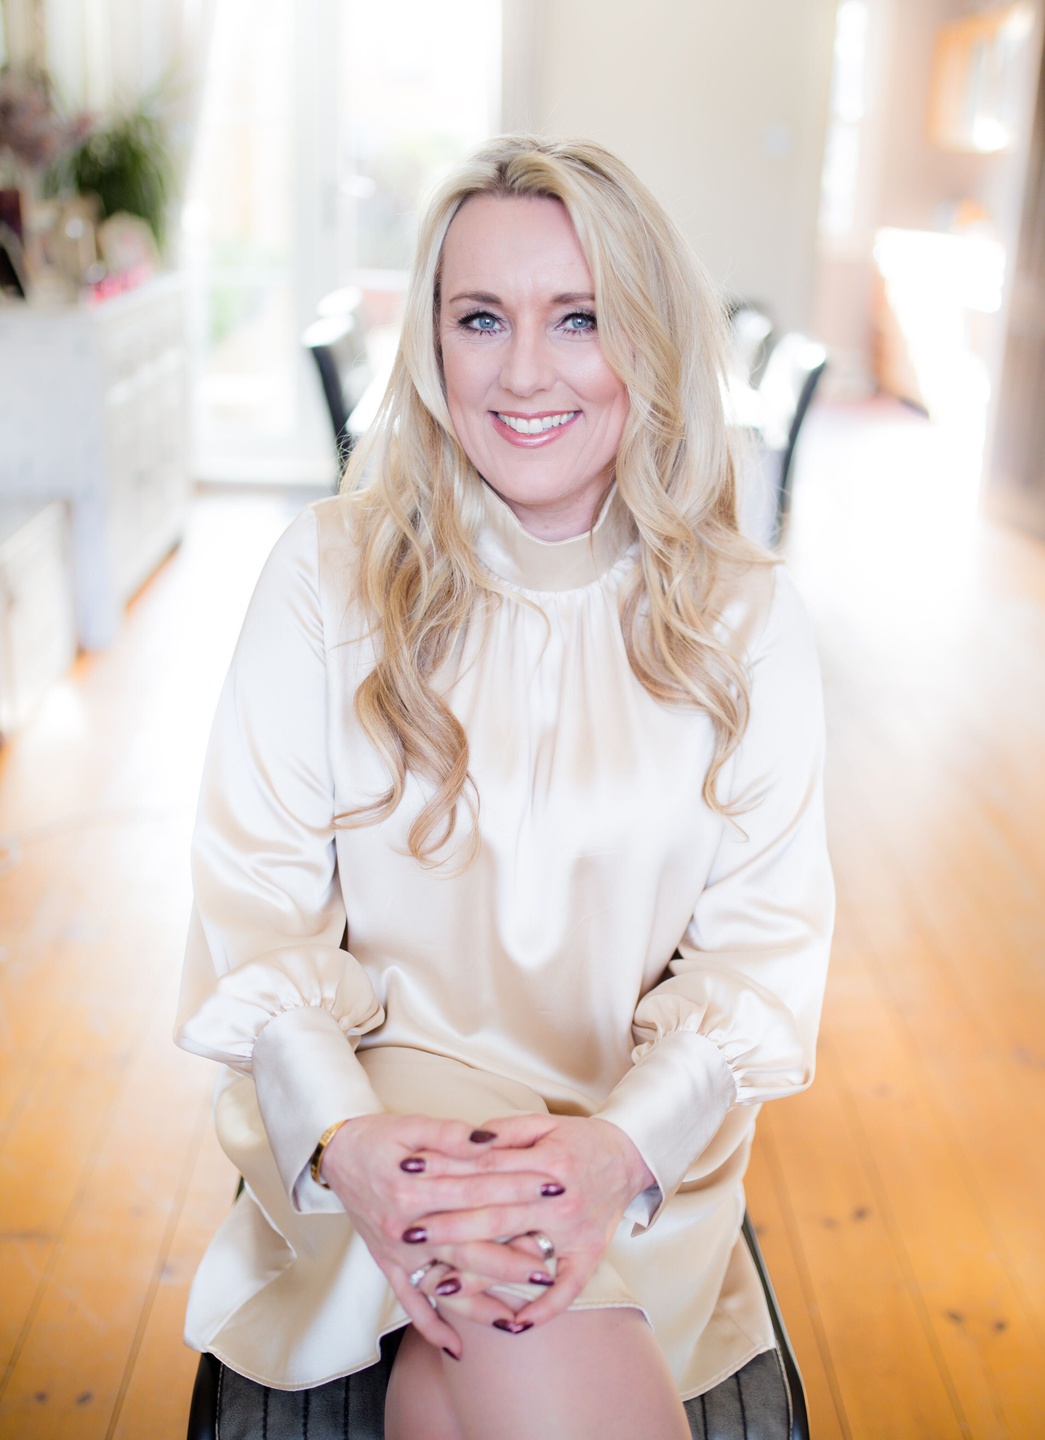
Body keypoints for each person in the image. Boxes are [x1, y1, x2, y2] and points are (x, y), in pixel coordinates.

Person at [175, 134, 833, 1440]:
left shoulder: (744, 619)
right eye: (481, 318)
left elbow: (756, 960)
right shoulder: (327, 575)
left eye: (578, 318)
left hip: (622, 1140)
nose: (524, 371)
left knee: (482, 1358)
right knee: (504, 1306)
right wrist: (352, 1147)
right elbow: (254, 916)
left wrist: (617, 1154)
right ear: (432, 346)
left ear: (649, 338)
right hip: (387, 1125)